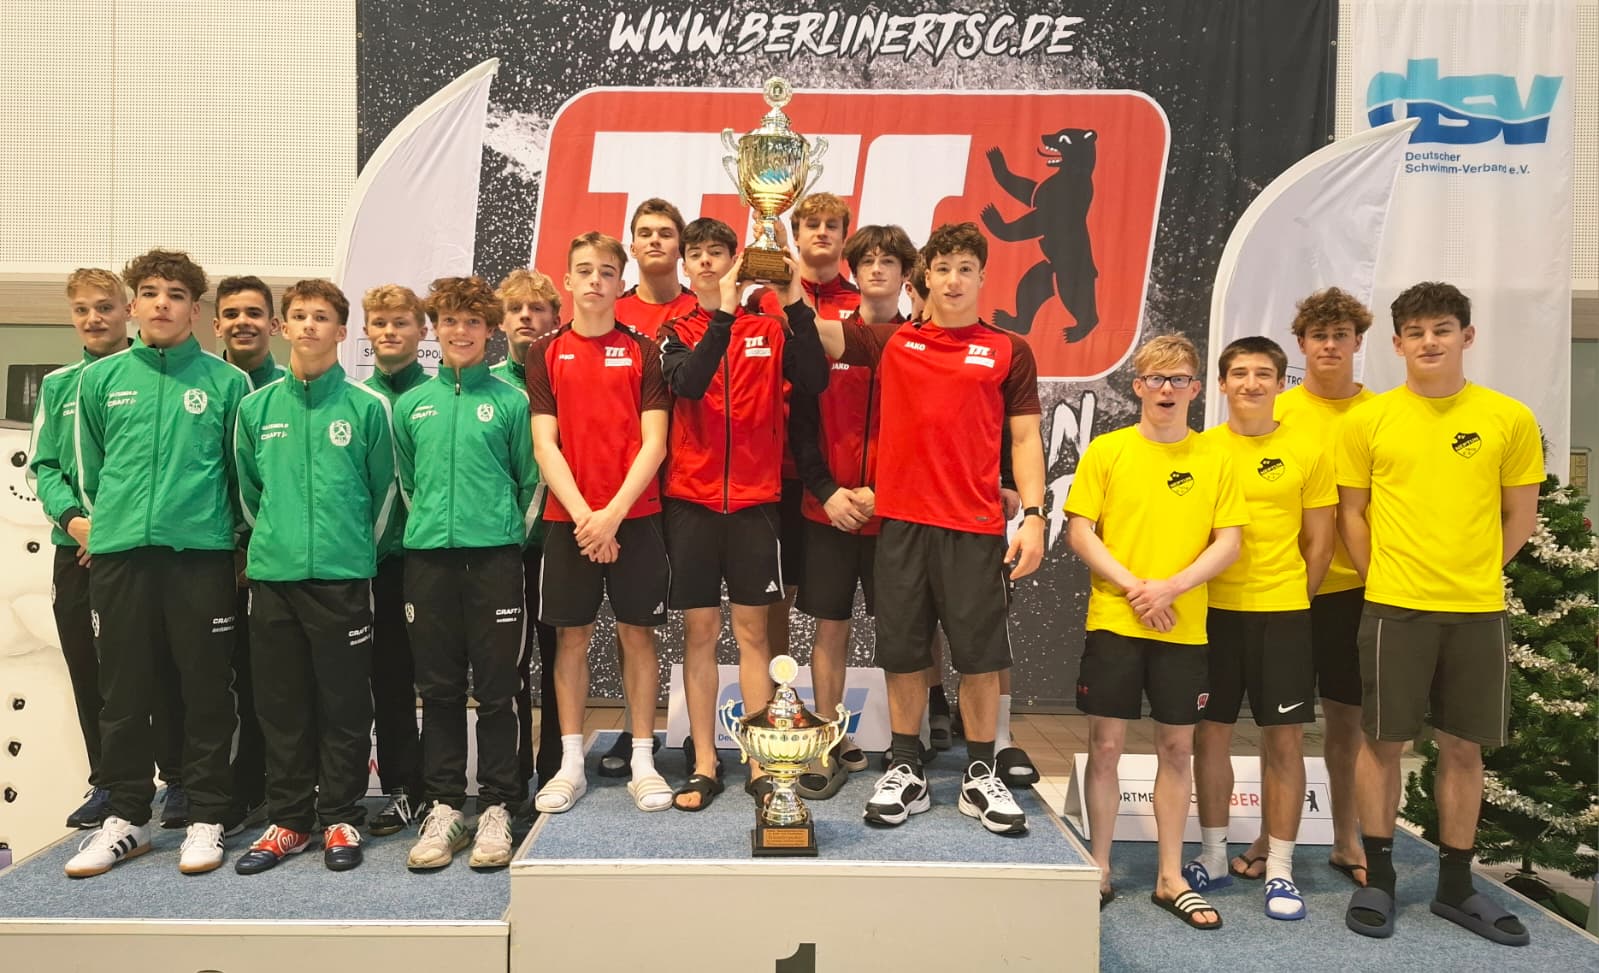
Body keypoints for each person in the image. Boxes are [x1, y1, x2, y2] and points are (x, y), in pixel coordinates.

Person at [816, 222, 1046, 838]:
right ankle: (906, 766)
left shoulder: (1009, 349)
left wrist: (1034, 515)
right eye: (942, 268)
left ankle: (980, 773)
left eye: (965, 268)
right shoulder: (894, 342)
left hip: (973, 527)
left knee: (977, 658)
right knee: (904, 655)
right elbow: (814, 331)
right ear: (925, 278)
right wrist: (784, 270)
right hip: (902, 525)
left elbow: (1025, 438)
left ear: (981, 276)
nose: (953, 280)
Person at [1337, 282, 1541, 945]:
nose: (1430, 341)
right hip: (1394, 608)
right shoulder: (1367, 421)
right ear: (1397, 344)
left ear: (1466, 336)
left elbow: (1520, 514)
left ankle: (1455, 885)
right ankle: (1379, 878)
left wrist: (1475, 569)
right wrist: (1380, 577)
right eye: (1416, 332)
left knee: (1463, 747)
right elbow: (1351, 513)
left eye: (1442, 329)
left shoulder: (1508, 418)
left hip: (1476, 609)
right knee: (1382, 743)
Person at [64, 249, 251, 877]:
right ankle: (127, 818)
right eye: (150, 293)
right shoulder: (100, 379)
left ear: (195, 310)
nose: (162, 304)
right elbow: (89, 471)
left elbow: (240, 475)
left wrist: (228, 540)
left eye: (175, 295)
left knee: (205, 691)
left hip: (200, 557)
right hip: (120, 560)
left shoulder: (228, 383)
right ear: (134, 305)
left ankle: (207, 815)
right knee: (121, 693)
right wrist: (111, 527)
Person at [1065, 333, 1246, 928]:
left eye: (1179, 379)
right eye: (1156, 379)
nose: (1167, 389)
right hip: (1116, 620)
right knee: (1106, 747)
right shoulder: (1108, 450)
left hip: (1183, 625)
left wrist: (1170, 588)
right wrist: (1137, 588)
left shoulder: (1216, 458)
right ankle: (1099, 867)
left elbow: (1229, 541)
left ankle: (1171, 876)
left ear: (1196, 388)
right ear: (1138, 385)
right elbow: (1081, 531)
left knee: (1176, 749)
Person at [659, 217, 827, 811]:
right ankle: (705, 761)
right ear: (685, 267)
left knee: (755, 635)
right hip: (692, 504)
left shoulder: (771, 329)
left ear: (736, 260)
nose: (706, 262)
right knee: (700, 634)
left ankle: (761, 760)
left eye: (717, 252)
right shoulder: (674, 332)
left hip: (757, 504)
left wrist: (793, 299)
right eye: (696, 254)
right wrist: (725, 315)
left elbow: (816, 377)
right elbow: (689, 384)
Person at [231, 279, 394, 873]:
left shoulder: (367, 407)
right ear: (283, 327)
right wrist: (276, 544)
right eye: (298, 315)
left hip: (342, 580)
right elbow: (250, 493)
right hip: (274, 581)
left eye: (321, 317)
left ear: (342, 331)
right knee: (282, 707)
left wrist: (352, 554)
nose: (308, 325)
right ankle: (289, 820)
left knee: (344, 705)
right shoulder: (255, 409)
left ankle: (341, 816)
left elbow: (385, 493)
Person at [1184, 336, 1334, 921]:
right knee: (1210, 735)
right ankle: (1214, 855)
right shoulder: (1199, 449)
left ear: (1280, 382)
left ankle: (1280, 868)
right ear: (1222, 383)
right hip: (1211, 614)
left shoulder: (1307, 449)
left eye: (1263, 373)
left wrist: (1294, 597)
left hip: (1283, 614)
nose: (1251, 383)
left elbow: (1319, 542)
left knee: (1285, 742)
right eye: (1240, 373)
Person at [395, 276, 542, 870]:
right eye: (450, 321)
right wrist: (432, 527)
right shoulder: (412, 405)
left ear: (491, 330)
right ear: (435, 329)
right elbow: (408, 483)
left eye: (472, 322)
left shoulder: (511, 401)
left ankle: (501, 803)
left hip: (496, 559)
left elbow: (530, 482)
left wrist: (505, 536)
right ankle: (446, 806)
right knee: (439, 690)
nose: (460, 331)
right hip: (428, 561)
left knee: (500, 689)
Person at [28, 268, 182, 830]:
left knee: (161, 665)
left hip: (136, 547)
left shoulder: (155, 374)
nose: (94, 318)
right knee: (91, 671)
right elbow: (44, 467)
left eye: (105, 307)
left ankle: (177, 776)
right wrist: (77, 523)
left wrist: (113, 531)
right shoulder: (59, 385)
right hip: (77, 548)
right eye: (82, 310)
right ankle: (110, 781)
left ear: (128, 311)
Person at [527, 233, 671, 815]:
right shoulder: (545, 352)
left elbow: (655, 442)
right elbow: (545, 445)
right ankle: (570, 763)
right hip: (571, 520)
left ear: (620, 283)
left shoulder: (644, 350)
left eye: (606, 272)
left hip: (635, 517)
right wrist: (587, 517)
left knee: (638, 636)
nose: (594, 280)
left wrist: (612, 515)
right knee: (572, 638)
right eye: (583, 270)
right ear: (567, 280)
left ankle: (642, 760)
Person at [788, 224, 917, 799]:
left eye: (889, 261)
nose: (877, 269)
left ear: (906, 275)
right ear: (854, 271)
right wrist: (828, 491)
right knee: (830, 627)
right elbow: (801, 427)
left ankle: (907, 749)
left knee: (902, 633)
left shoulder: (921, 344)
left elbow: (928, 437)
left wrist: (885, 493)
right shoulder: (826, 338)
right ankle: (829, 738)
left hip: (896, 515)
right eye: (867, 261)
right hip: (830, 512)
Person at [1264, 287, 1377, 885]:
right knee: (1279, 727)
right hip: (1285, 587)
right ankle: (1267, 836)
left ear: (1358, 342)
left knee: (1346, 725)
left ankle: (1346, 839)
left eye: (1340, 336)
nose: (1329, 346)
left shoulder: (1382, 413)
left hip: (1355, 590)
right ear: (1301, 344)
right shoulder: (1277, 410)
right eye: (1318, 336)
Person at [604, 198, 693, 774]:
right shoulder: (612, 312)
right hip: (632, 488)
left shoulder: (701, 307)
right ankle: (636, 729)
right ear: (632, 245)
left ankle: (700, 727)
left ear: (681, 245)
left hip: (693, 484)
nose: (655, 240)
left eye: (666, 232)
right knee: (631, 621)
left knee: (700, 616)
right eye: (645, 233)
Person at [755, 193, 862, 660]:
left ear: (844, 237)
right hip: (774, 467)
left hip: (836, 469)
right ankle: (779, 692)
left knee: (832, 604)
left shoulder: (861, 302)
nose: (821, 232)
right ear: (795, 236)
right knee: (775, 590)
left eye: (831, 225)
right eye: (811, 224)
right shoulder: (762, 299)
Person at [213, 274, 284, 830]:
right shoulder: (207, 384)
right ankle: (214, 789)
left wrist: (251, 546)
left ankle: (269, 787)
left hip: (268, 561)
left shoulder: (290, 388)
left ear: (273, 324)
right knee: (215, 682)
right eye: (233, 313)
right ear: (216, 324)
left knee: (272, 683)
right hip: (208, 558)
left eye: (254, 313)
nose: (243, 322)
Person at [361, 284, 430, 834]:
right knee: (387, 678)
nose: (390, 331)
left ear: (421, 331)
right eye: (380, 323)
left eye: (401, 322)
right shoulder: (355, 399)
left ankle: (446, 786)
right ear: (365, 331)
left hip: (428, 558)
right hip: (371, 563)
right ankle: (403, 788)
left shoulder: (436, 395)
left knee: (439, 679)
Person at [492, 268, 561, 809]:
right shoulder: (487, 383)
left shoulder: (566, 374)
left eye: (536, 309)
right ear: (500, 320)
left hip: (557, 540)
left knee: (561, 658)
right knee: (509, 667)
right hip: (501, 548)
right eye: (516, 309)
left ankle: (557, 768)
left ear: (555, 318)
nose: (525, 317)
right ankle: (511, 780)